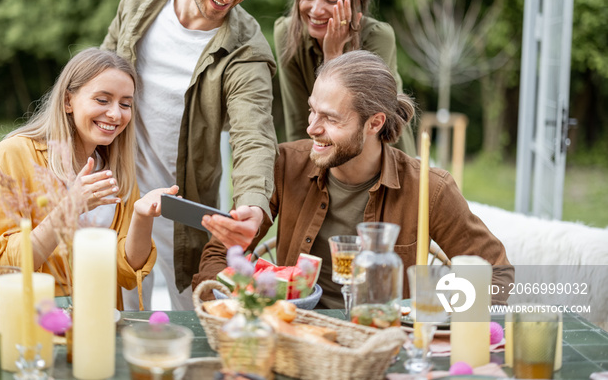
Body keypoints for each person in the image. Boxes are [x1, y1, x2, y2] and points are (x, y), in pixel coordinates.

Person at [194, 50, 513, 307]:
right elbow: (218, 253)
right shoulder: (285, 164)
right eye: (312, 111)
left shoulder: (430, 189)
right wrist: (229, 304)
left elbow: (497, 274)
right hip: (292, 337)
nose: (312, 127)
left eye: (330, 118)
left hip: (381, 347)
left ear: (374, 123)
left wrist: (437, 320)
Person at [101, 0, 283, 310]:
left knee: (197, 320)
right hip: (114, 191)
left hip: (184, 212)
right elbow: (103, 73)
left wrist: (252, 204)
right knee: (117, 319)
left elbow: (254, 136)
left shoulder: (246, 50)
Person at [0, 48, 177, 310]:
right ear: (68, 101)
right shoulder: (15, 155)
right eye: (102, 100)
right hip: (28, 315)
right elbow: (6, 269)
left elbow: (126, 274)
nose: (115, 114)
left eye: (125, 104)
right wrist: (70, 206)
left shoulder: (116, 169)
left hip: (99, 316)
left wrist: (143, 217)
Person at [274, 0, 416, 155]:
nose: (316, 10)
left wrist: (333, 58)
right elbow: (297, 123)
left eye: (331, 0)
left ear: (356, 2)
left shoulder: (377, 37)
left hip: (383, 154)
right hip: (321, 154)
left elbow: (366, 129)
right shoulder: (287, 33)